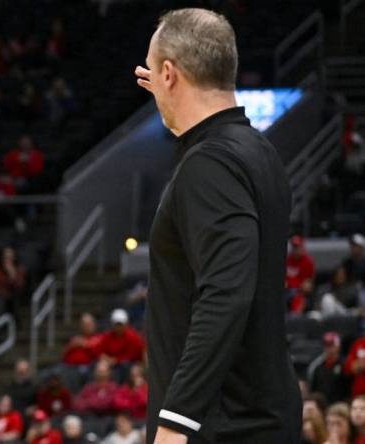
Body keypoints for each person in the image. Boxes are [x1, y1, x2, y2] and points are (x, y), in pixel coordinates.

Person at [135, 8, 301, 443]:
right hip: (254, 414)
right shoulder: (258, 151)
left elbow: (226, 294)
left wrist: (175, 421)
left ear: (169, 73)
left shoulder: (209, 164)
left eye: (155, 72)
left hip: (223, 425)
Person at [307, 332, 350, 404]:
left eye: (331, 345)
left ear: (338, 346)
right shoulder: (317, 365)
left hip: (340, 404)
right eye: (326, 346)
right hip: (322, 403)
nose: (329, 349)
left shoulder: (345, 364)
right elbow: (313, 386)